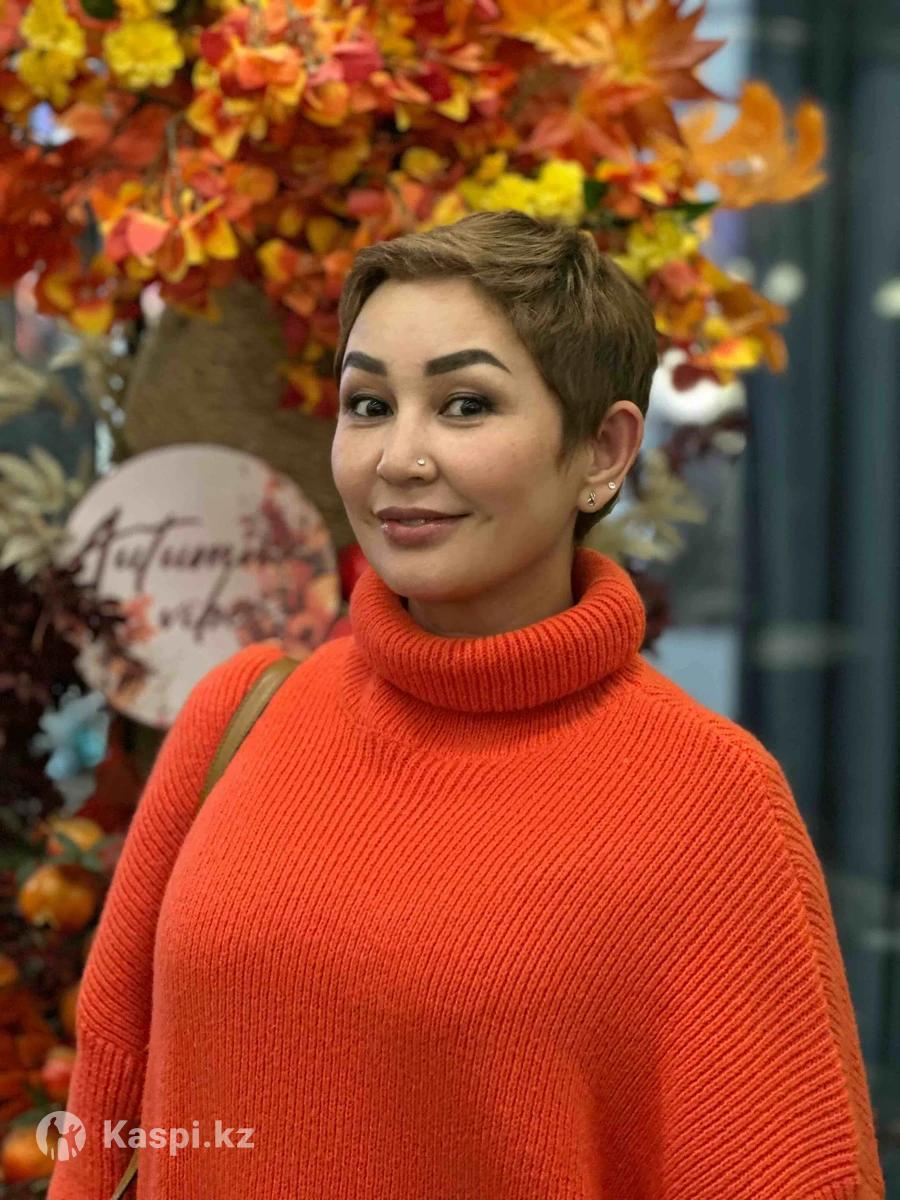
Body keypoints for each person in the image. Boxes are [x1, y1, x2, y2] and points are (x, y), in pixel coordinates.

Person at [49, 210, 885, 1200]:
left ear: (604, 451)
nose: (398, 457)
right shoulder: (245, 712)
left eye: (465, 405)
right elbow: (109, 1095)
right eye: (368, 405)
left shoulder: (708, 799)